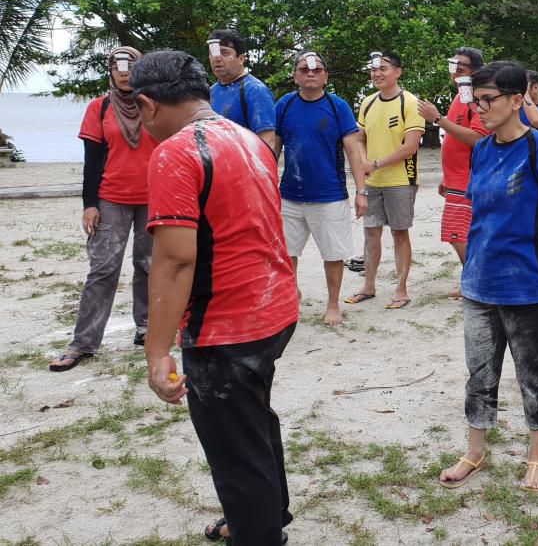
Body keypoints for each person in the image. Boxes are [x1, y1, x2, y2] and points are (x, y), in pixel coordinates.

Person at [133, 49, 298, 545]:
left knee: (234, 447)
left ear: (146, 104)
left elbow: (176, 259)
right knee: (254, 421)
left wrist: (157, 350)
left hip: (227, 324)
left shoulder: (177, 153)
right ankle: (269, 515)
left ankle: (259, 532)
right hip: (275, 309)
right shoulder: (247, 138)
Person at [437, 61, 538, 493]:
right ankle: (474, 450)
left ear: (518, 100)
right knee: (479, 372)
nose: (479, 108)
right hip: (479, 279)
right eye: (475, 100)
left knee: (532, 371)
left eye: (488, 100)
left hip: (526, 283)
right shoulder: (481, 148)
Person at [50, 47, 157, 371]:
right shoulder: (99, 108)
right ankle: (83, 342)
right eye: (117, 65)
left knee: (150, 265)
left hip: (154, 197)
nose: (124, 72)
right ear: (109, 70)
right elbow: (92, 162)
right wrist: (90, 205)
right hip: (111, 199)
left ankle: (147, 327)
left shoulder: (155, 105)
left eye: (130, 65)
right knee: (103, 270)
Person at [275, 51, 366, 325]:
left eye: (316, 69)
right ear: (295, 75)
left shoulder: (338, 107)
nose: (310, 73)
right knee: (286, 253)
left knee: (333, 254)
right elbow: (273, 149)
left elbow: (353, 150)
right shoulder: (284, 105)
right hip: (289, 195)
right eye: (304, 69)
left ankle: (333, 304)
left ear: (325, 75)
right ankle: (291, 296)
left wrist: (362, 192)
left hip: (329, 195)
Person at [344, 50, 424, 310]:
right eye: (374, 69)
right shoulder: (367, 102)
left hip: (401, 180)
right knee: (370, 234)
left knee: (400, 234)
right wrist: (366, 163)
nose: (377, 73)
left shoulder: (410, 102)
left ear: (398, 72)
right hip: (373, 181)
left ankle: (401, 289)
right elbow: (358, 137)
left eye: (384, 68)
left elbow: (410, 147)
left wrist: (375, 163)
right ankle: (369, 285)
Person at [417, 47, 489, 298]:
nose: (455, 71)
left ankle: (476, 281)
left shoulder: (475, 98)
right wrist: (446, 177)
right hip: (456, 180)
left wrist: (437, 119)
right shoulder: (461, 96)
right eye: (453, 66)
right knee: (462, 233)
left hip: (469, 180)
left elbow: (478, 138)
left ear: (477, 71)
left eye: (461, 67)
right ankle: (472, 279)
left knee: (457, 233)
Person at [206, 29, 277, 148]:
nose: (216, 58)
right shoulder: (210, 91)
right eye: (212, 53)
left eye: (224, 53)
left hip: (245, 164)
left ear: (241, 59)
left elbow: (267, 142)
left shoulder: (255, 90)